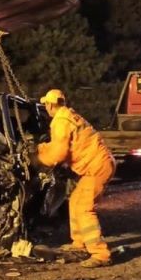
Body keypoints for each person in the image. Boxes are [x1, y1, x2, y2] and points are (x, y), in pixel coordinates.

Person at [36, 88, 115, 268]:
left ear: (49, 105)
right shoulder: (69, 116)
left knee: (85, 209)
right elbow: (60, 145)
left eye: (46, 104)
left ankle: (100, 254)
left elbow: (58, 153)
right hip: (98, 164)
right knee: (75, 202)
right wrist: (42, 148)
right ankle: (79, 244)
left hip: (96, 167)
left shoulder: (61, 122)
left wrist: (37, 158)